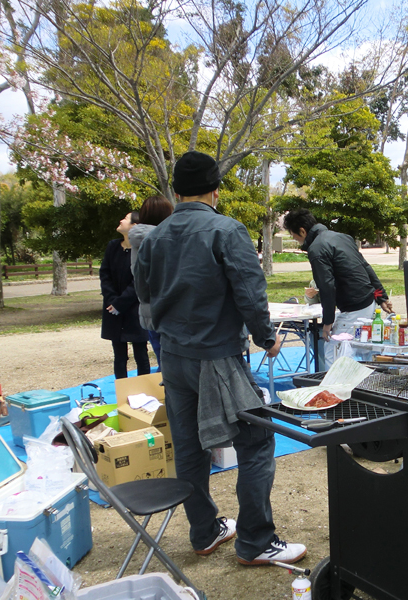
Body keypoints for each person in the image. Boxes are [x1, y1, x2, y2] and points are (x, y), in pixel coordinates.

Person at [134, 151, 307, 566]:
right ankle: (255, 540)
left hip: (173, 357)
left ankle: (205, 531)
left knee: (190, 447)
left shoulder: (153, 237)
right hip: (218, 356)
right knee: (257, 442)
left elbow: (144, 295)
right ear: (216, 189)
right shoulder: (226, 230)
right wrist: (266, 338)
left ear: (175, 191)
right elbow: (250, 293)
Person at [282, 209, 393, 368]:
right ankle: (358, 386)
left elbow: (327, 286)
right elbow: (365, 267)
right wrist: (381, 297)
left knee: (333, 351)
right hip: (368, 301)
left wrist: (328, 322)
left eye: (295, 237)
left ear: (302, 231)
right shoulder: (343, 237)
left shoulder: (316, 249)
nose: (297, 241)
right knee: (360, 350)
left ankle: (336, 391)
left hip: (354, 307)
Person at [100, 212, 151, 380]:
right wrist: (112, 300)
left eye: (126, 219)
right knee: (119, 355)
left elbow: (140, 280)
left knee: (141, 354)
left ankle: (144, 392)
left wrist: (121, 303)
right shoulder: (113, 246)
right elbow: (105, 274)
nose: (121, 220)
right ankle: (121, 392)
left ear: (134, 226)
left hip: (134, 308)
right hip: (113, 308)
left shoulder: (142, 249)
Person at [128, 195, 175, 372]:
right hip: (170, 311)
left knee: (163, 361)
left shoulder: (137, 240)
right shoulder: (163, 239)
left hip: (149, 310)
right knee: (174, 367)